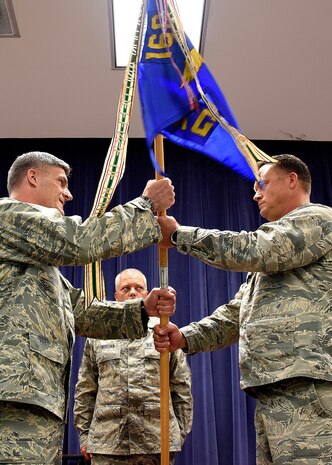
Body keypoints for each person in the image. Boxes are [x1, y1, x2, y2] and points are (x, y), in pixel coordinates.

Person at [154, 154, 332, 465]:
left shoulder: (317, 220)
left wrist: (180, 235)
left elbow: (255, 248)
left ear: (292, 181)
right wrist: (184, 337)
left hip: (308, 387)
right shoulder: (275, 255)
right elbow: (237, 314)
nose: (255, 193)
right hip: (276, 389)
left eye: (262, 184)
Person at [0, 151, 176, 465]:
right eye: (61, 182)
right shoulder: (8, 216)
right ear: (32, 177)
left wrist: (141, 311)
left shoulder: (38, 264)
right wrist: (145, 206)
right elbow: (79, 241)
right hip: (12, 399)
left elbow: (81, 312)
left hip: (30, 401)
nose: (68, 193)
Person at [74, 268, 193, 465]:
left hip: (156, 444)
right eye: (125, 288)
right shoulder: (97, 336)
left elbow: (181, 387)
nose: (132, 292)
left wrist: (177, 435)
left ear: (146, 294)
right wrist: (85, 436)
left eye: (138, 288)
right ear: (116, 296)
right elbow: (85, 390)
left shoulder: (164, 332)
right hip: (107, 445)